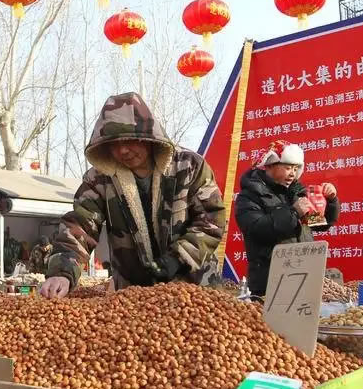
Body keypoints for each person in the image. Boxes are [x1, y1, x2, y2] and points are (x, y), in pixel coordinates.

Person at [41, 92, 225, 298]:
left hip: (195, 287)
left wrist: (178, 257)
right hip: (134, 294)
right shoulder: (100, 179)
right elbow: (81, 225)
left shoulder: (189, 166)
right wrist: (62, 272)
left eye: (129, 140)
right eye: (113, 144)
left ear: (148, 137)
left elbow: (211, 220)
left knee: (199, 318)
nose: (123, 151)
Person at [233, 141, 339, 298]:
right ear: (269, 165)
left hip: (305, 276)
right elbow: (256, 229)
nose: (292, 174)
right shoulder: (249, 196)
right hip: (270, 281)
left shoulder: (297, 193)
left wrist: (331, 201)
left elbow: (320, 224)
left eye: (296, 169)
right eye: (288, 168)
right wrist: (294, 213)